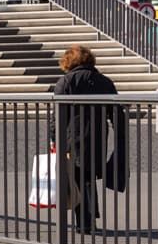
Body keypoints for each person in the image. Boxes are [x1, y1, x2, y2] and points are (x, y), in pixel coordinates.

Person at [50, 44, 127, 231]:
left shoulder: (66, 81)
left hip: (72, 138)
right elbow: (116, 113)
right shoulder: (105, 82)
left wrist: (54, 137)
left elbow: (58, 115)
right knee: (88, 177)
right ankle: (89, 218)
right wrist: (120, 136)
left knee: (76, 178)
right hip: (98, 136)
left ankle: (84, 221)